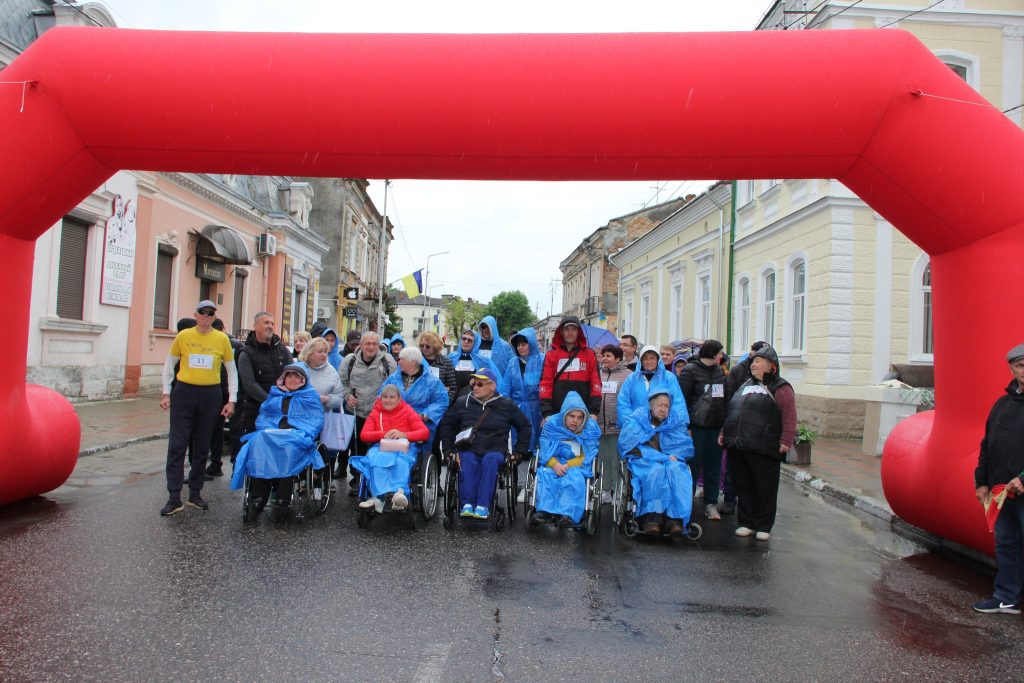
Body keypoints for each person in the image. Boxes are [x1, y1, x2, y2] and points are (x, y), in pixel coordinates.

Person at [159, 300, 237, 516]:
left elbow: (232, 371)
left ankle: (195, 493)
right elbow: (169, 365)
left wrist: (231, 400)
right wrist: (166, 393)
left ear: (214, 317)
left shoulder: (222, 339)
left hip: (210, 395)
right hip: (184, 393)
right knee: (177, 445)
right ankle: (174, 497)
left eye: (210, 313)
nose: (206, 316)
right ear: (195, 315)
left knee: (202, 446)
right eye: (202, 312)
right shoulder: (183, 336)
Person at [719, 344, 796, 541]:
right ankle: (746, 522)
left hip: (765, 448)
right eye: (753, 361)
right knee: (743, 485)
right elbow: (733, 411)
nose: (753, 365)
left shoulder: (781, 387)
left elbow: (789, 416)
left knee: (765, 487)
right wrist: (724, 433)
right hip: (739, 446)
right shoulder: (745, 385)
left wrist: (786, 440)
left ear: (771, 365)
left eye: (758, 361)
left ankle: (763, 525)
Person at [230, 365, 325, 520]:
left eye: (297, 376)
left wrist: (302, 432)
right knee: (258, 443)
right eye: (289, 376)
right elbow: (263, 417)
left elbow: (315, 420)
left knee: (288, 447)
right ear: (283, 379)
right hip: (273, 433)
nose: (292, 379)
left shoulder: (310, 397)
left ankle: (283, 496)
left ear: (304, 380)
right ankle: (259, 496)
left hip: (297, 434)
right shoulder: (274, 395)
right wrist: (268, 430)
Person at [972, 343, 1024, 615]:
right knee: (1006, 545)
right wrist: (981, 482)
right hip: (1003, 493)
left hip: (1021, 489)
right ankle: (1006, 597)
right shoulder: (1002, 405)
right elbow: (987, 446)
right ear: (1011, 369)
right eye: (1020, 366)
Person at [438, 368, 531, 519]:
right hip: (468, 448)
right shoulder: (462, 403)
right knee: (467, 459)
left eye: (480, 384)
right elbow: (447, 424)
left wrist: (519, 451)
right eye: (473, 384)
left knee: (490, 460)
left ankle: (483, 505)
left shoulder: (506, 405)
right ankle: (467, 504)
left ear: (492, 386)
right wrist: (448, 450)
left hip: (495, 450)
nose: (475, 387)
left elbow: (525, 426)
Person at [618, 390, 695, 535]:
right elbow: (627, 445)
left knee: (677, 471)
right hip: (644, 460)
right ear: (650, 406)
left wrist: (676, 455)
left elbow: (684, 446)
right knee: (655, 471)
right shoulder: (636, 420)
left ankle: (675, 518)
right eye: (660, 405)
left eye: (666, 406)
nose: (663, 409)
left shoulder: (674, 422)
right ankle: (652, 517)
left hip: (669, 460)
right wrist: (653, 456)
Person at [353, 385, 430, 512]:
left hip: (404, 448)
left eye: (392, 397)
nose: (388, 400)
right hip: (381, 447)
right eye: (385, 397)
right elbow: (364, 435)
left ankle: (399, 494)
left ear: (399, 398)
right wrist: (383, 434)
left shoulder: (407, 411)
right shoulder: (376, 413)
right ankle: (377, 497)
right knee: (375, 461)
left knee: (400, 462)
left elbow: (424, 432)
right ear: (381, 398)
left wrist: (404, 434)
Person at [339, 331, 398, 490]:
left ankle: (375, 481)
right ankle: (357, 479)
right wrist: (347, 395)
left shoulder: (387, 360)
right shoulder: (349, 360)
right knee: (357, 448)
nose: (371, 347)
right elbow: (342, 383)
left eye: (374, 344)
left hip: (379, 413)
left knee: (377, 448)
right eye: (367, 344)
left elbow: (395, 384)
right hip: (356, 411)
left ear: (378, 345)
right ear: (361, 345)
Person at [533, 391, 601, 527]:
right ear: (564, 414)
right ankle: (545, 510)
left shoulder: (589, 429)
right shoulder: (552, 425)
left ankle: (567, 514)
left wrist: (568, 465)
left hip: (577, 465)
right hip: (553, 463)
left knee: (573, 477)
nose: (575, 421)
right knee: (546, 475)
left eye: (580, 417)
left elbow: (588, 454)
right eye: (572, 416)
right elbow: (544, 450)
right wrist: (554, 464)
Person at [679, 339, 728, 521]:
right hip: (696, 428)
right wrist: (687, 426)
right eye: (719, 352)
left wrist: (724, 425)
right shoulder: (690, 370)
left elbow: (724, 398)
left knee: (713, 467)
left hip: (715, 426)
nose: (721, 356)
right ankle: (686, 503)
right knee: (692, 466)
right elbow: (682, 400)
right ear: (712, 353)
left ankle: (711, 503)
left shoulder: (719, 372)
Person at [380, 347, 449, 453]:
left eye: (402, 359)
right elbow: (380, 396)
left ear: (413, 362)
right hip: (394, 423)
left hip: (420, 424)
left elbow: (441, 401)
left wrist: (427, 413)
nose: (399, 362)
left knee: (416, 454)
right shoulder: (393, 378)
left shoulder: (432, 381)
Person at [237, 311, 293, 441]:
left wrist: (284, 401)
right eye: (266, 323)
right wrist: (270, 401)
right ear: (255, 326)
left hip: (283, 411)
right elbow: (250, 384)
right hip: (256, 411)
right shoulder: (246, 353)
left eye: (272, 323)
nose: (270, 326)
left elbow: (293, 374)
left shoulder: (283, 351)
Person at [539, 315, 601, 421]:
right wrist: (546, 412)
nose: (570, 332)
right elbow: (545, 383)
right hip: (556, 413)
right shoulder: (551, 355)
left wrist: (594, 411)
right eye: (567, 329)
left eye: (573, 329)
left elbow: (596, 383)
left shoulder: (589, 354)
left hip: (581, 413)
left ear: (578, 332)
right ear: (561, 332)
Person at [203, 318, 243, 478]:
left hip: (222, 391)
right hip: (225, 392)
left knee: (222, 430)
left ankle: (221, 464)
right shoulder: (236, 345)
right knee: (227, 430)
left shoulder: (232, 345)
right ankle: (225, 465)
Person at [617, 344, 687, 427]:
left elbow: (678, 403)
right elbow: (623, 403)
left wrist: (668, 425)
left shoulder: (669, 377)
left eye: (652, 358)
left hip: (664, 427)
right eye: (645, 358)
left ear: (658, 360)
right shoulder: (632, 378)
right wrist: (632, 424)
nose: (649, 361)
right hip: (636, 427)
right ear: (641, 361)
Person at [597, 343, 631, 497]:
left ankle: (617, 489)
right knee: (603, 459)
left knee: (616, 459)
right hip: (600, 426)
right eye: (603, 355)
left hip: (618, 426)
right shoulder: (598, 374)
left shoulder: (628, 375)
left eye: (608, 356)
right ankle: (605, 490)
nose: (604, 358)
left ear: (617, 359)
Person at [503, 327, 543, 454]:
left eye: (523, 344)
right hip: (517, 407)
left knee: (536, 435)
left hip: (536, 408)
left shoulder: (542, 360)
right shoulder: (512, 363)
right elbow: (506, 387)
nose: (520, 348)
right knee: (519, 437)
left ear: (531, 344)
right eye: (518, 345)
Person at [449, 329, 505, 398]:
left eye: (469, 340)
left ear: (475, 343)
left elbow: (494, 378)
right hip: (452, 397)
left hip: (475, 398)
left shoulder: (483, 360)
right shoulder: (451, 357)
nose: (466, 342)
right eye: (464, 339)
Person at [418, 331, 457, 405]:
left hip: (439, 405)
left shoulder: (446, 362)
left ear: (435, 347)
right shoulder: (417, 360)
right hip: (418, 404)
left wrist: (444, 405)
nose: (424, 348)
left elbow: (452, 389)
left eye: (428, 346)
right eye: (421, 345)